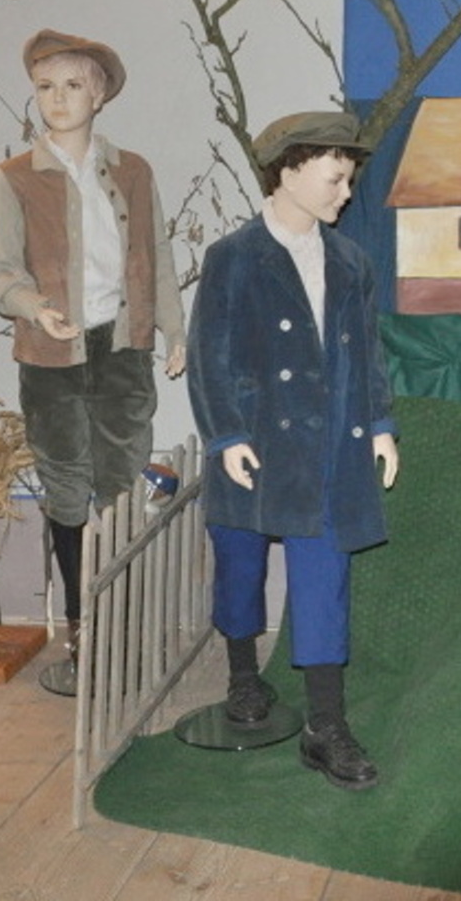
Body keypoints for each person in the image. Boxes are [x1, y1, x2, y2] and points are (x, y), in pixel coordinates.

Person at [186, 111, 398, 791]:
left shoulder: (350, 261)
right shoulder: (233, 257)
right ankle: (243, 675)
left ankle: (325, 725)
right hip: (254, 440)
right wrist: (226, 435)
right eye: (336, 178)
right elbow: (208, 356)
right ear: (289, 170)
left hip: (329, 445)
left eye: (350, 180)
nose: (346, 193)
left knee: (322, 580)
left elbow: (367, 354)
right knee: (240, 565)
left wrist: (380, 424)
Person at [0, 29, 187, 675]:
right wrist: (32, 304)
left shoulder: (133, 171)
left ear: (99, 95)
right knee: (67, 489)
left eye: (73, 85)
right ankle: (82, 631)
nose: (58, 98)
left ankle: (122, 625)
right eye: (45, 86)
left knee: (122, 485)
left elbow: (156, 254)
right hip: (51, 357)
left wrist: (174, 330)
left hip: (122, 349)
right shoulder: (13, 178)